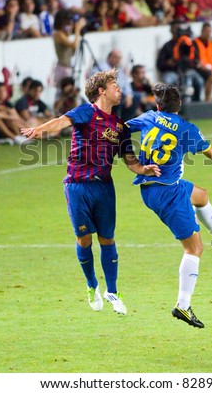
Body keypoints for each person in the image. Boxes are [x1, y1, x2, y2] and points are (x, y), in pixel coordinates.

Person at [21, 69, 160, 315]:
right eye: (114, 84)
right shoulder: (87, 111)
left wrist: (145, 169)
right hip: (77, 186)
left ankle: (113, 292)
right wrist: (39, 129)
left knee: (107, 239)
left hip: (104, 187)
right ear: (101, 91)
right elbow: (61, 122)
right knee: (84, 240)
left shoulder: (120, 127)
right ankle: (91, 285)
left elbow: (130, 161)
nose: (119, 88)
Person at [126, 83, 212, 328]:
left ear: (158, 105)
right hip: (167, 193)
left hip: (155, 186)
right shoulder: (185, 129)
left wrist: (128, 154)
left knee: (201, 195)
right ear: (180, 105)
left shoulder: (149, 116)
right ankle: (183, 304)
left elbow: (122, 128)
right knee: (194, 249)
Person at [53, 10, 86, 93]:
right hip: (62, 69)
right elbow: (74, 45)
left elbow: (72, 52)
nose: (70, 26)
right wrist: (77, 30)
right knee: (64, 93)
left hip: (67, 67)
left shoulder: (65, 35)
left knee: (70, 94)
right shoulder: (58, 34)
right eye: (68, 23)